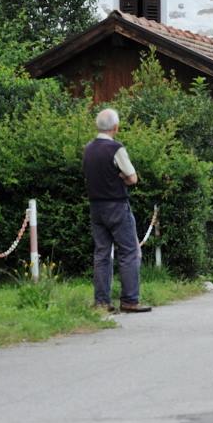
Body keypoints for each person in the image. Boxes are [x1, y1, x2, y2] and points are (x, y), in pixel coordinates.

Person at [83, 108, 151, 313]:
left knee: (102, 254)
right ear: (116, 127)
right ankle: (130, 299)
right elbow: (132, 178)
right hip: (117, 205)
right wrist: (120, 177)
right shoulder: (116, 148)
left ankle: (102, 302)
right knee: (129, 252)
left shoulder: (88, 149)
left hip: (96, 206)